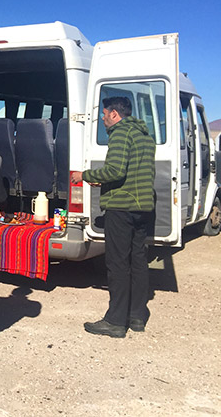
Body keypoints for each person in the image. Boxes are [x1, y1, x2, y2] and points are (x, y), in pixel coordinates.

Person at [71, 96, 155, 338]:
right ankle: (136, 316)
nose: (103, 119)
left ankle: (115, 321)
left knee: (117, 263)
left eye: (105, 114)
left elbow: (115, 170)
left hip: (122, 207)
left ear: (115, 114)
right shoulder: (144, 135)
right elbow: (131, 172)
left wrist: (84, 175)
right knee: (138, 261)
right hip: (142, 207)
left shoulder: (120, 133)